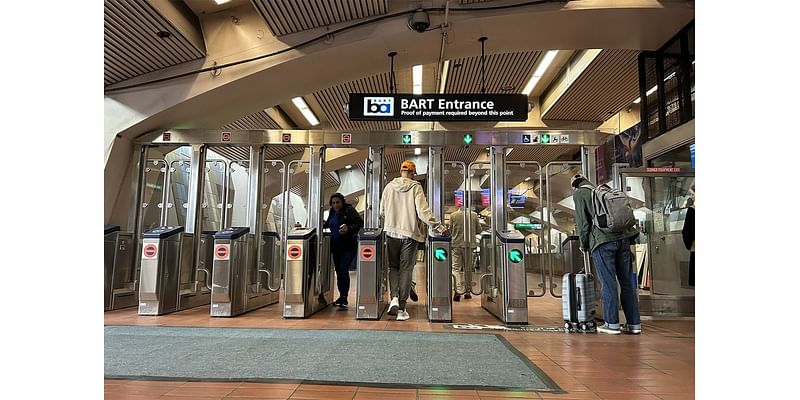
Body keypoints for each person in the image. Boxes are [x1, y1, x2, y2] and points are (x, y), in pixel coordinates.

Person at [571, 173, 641, 335]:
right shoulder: (602, 190)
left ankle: (612, 323)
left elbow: (583, 223)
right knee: (627, 283)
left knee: (608, 283)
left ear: (574, 186)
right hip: (624, 239)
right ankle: (634, 324)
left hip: (602, 242)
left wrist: (584, 245)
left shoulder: (580, 193)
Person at [381, 160, 448, 321]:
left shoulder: (389, 187)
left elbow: (382, 210)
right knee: (406, 269)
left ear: (401, 171)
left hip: (391, 232)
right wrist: (439, 227)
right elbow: (423, 211)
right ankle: (402, 308)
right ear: (412, 173)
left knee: (393, 267)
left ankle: (394, 297)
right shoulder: (415, 187)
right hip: (409, 234)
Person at [323, 193, 363, 308]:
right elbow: (327, 224)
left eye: (338, 202)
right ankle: (342, 296)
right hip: (335, 246)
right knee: (339, 271)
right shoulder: (332, 212)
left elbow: (359, 223)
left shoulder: (349, 210)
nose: (336, 205)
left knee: (343, 269)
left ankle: (344, 297)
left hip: (348, 246)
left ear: (342, 202)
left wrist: (348, 228)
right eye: (334, 203)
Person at [449, 206, 482, 301]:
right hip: (469, 246)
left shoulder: (453, 215)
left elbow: (450, 231)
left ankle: (458, 290)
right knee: (468, 268)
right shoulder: (474, 215)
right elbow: (479, 230)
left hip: (456, 245)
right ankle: (468, 291)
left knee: (456, 268)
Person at [682, 183, 695, 288]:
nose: (691, 197)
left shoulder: (692, 210)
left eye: (692, 194)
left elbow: (687, 231)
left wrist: (689, 245)